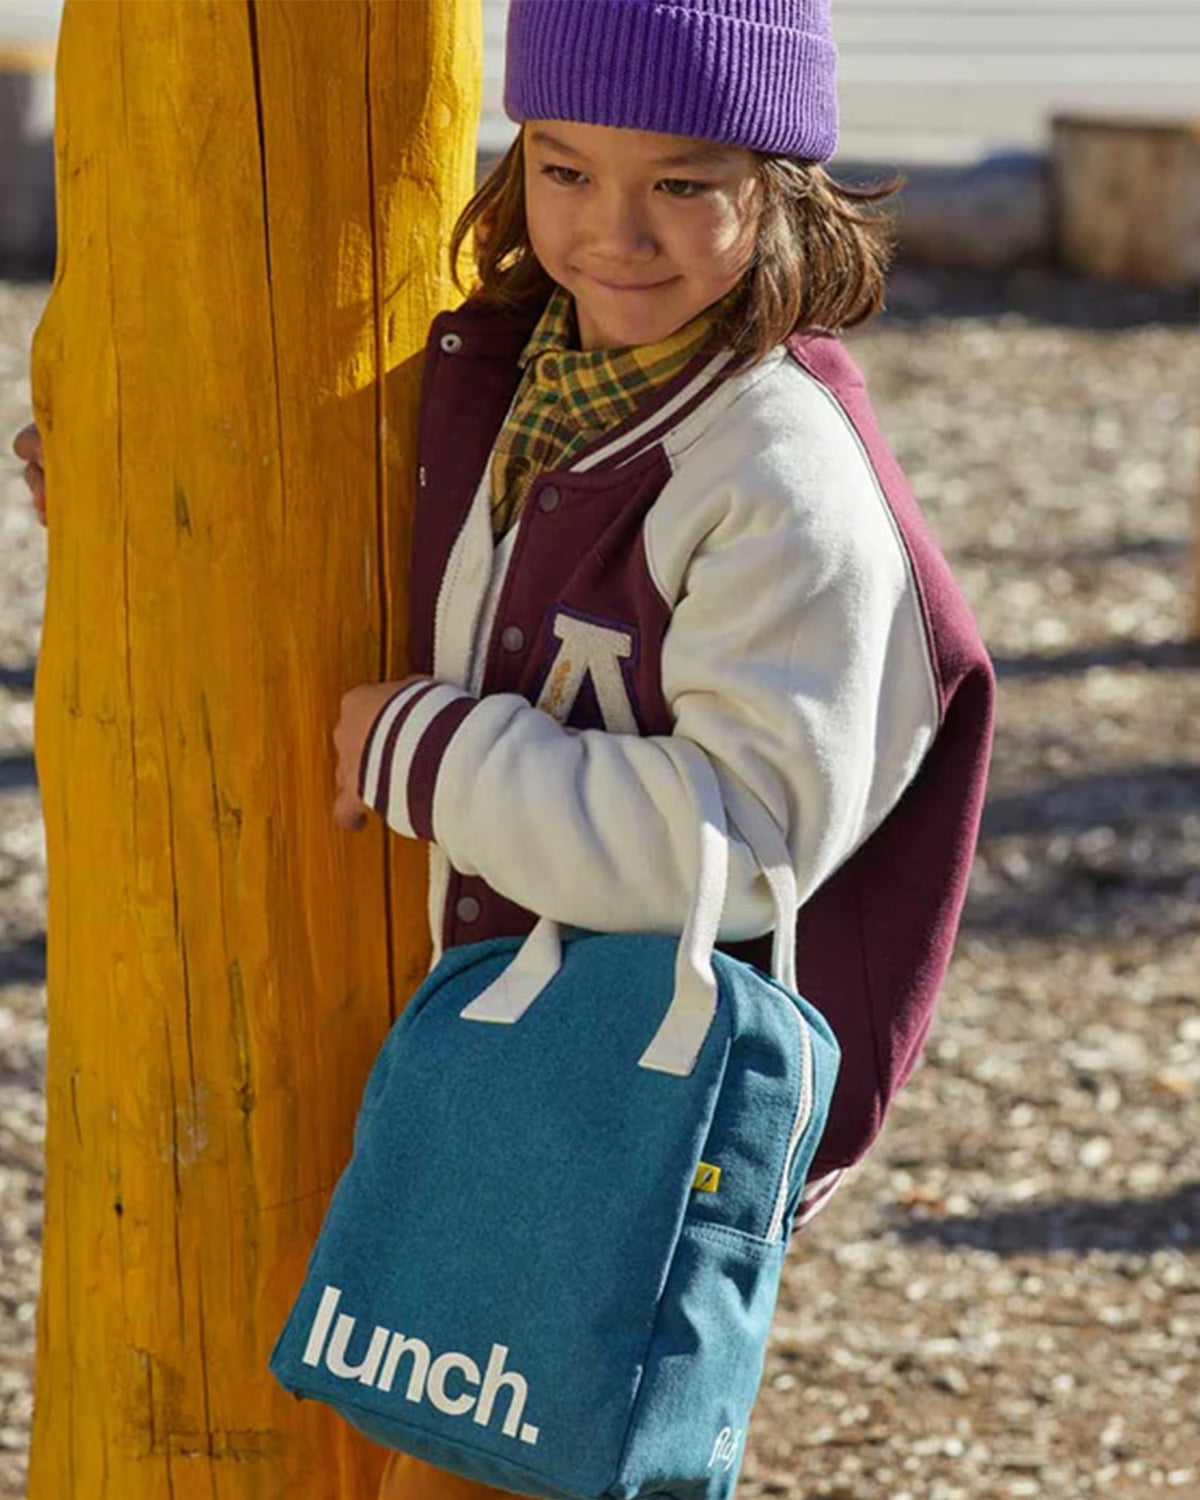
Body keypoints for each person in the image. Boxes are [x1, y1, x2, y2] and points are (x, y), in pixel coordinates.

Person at [14, 2, 995, 1495]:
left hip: (620, 1109)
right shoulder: (529, 375)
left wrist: (434, 754)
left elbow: (734, 840)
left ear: (784, 183)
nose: (613, 231)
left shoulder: (782, 479)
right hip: (488, 1055)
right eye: (562, 166)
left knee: (521, 1464)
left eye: (684, 180)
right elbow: (386, 547)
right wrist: (142, 476)